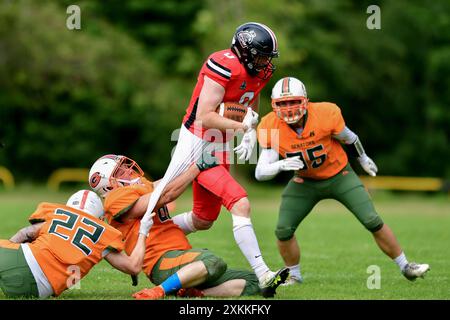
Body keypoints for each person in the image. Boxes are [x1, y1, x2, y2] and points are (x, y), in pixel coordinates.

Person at [255, 77, 430, 285]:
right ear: (274, 105)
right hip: (305, 181)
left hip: (340, 175)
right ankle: (295, 276)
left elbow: (350, 138)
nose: (289, 108)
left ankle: (406, 266)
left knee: (371, 220)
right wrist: (280, 165)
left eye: (293, 101)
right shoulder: (270, 125)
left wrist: (363, 158)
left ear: (305, 101)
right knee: (283, 230)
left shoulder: (325, 113)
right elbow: (260, 172)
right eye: (283, 103)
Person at [159, 22, 288, 289]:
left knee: (203, 219)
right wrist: (242, 127)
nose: (265, 63)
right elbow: (206, 117)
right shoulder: (224, 65)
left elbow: (251, 102)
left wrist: (252, 129)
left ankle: (157, 231)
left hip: (221, 146)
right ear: (244, 50)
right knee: (240, 202)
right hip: (200, 145)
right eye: (261, 55)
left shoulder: (259, 72)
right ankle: (264, 273)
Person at [88, 153, 284, 299]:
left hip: (180, 256)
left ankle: (195, 293)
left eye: (126, 166)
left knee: (254, 281)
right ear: (108, 184)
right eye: (121, 170)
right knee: (213, 262)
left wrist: (190, 160)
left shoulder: (138, 187)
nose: (129, 170)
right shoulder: (115, 199)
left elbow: (165, 182)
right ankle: (159, 291)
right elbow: (165, 195)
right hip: (161, 262)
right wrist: (195, 168)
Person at [0, 190, 152, 298]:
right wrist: (143, 231)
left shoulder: (57, 213)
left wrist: (8, 250)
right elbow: (133, 266)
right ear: (100, 216)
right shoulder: (102, 234)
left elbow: (26, 233)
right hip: (39, 290)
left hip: (23, 264)